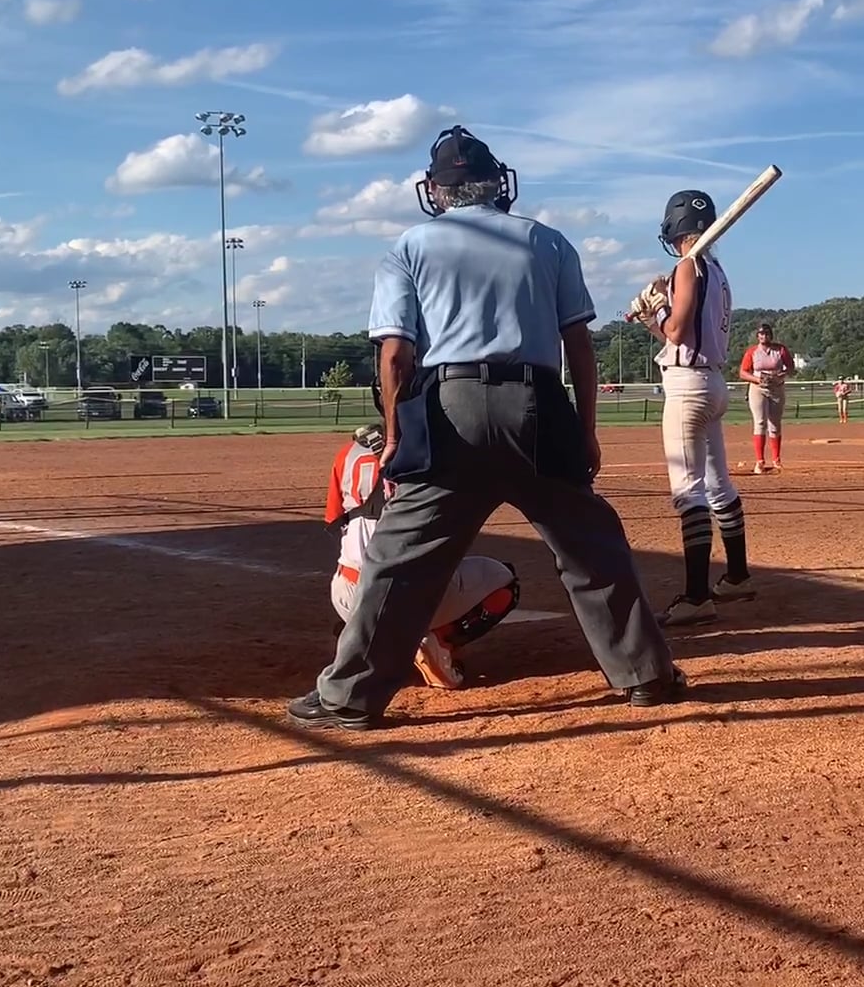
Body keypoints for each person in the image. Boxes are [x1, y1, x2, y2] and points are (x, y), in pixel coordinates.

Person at [287, 125, 686, 730]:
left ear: (436, 190)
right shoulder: (547, 241)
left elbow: (395, 356)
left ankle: (349, 696)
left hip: (450, 407)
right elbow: (579, 348)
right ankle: (646, 676)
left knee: (402, 557)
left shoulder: (410, 246)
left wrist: (395, 434)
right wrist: (586, 429)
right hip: (537, 405)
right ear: (498, 183)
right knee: (592, 546)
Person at [628, 189, 755, 627]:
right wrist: (653, 317)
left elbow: (678, 331)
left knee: (689, 490)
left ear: (673, 227)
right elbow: (675, 332)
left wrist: (660, 307)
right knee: (719, 485)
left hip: (688, 386)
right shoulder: (716, 270)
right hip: (713, 381)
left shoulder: (687, 266)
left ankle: (697, 596)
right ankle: (736, 576)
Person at [324, 424, 522, 688]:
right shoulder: (437, 448)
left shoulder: (348, 453)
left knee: (364, 577)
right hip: (412, 594)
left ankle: (365, 640)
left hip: (348, 593)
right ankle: (438, 640)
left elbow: (335, 522)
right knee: (506, 581)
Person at [738, 322, 794, 473]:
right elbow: (743, 372)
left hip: (776, 388)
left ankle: (776, 459)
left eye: (767, 333)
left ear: (771, 335)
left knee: (775, 424)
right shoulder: (752, 352)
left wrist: (782, 374)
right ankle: (760, 461)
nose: (764, 336)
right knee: (760, 422)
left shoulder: (780, 350)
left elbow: (790, 367)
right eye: (761, 334)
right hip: (758, 388)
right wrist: (757, 379)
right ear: (758, 336)